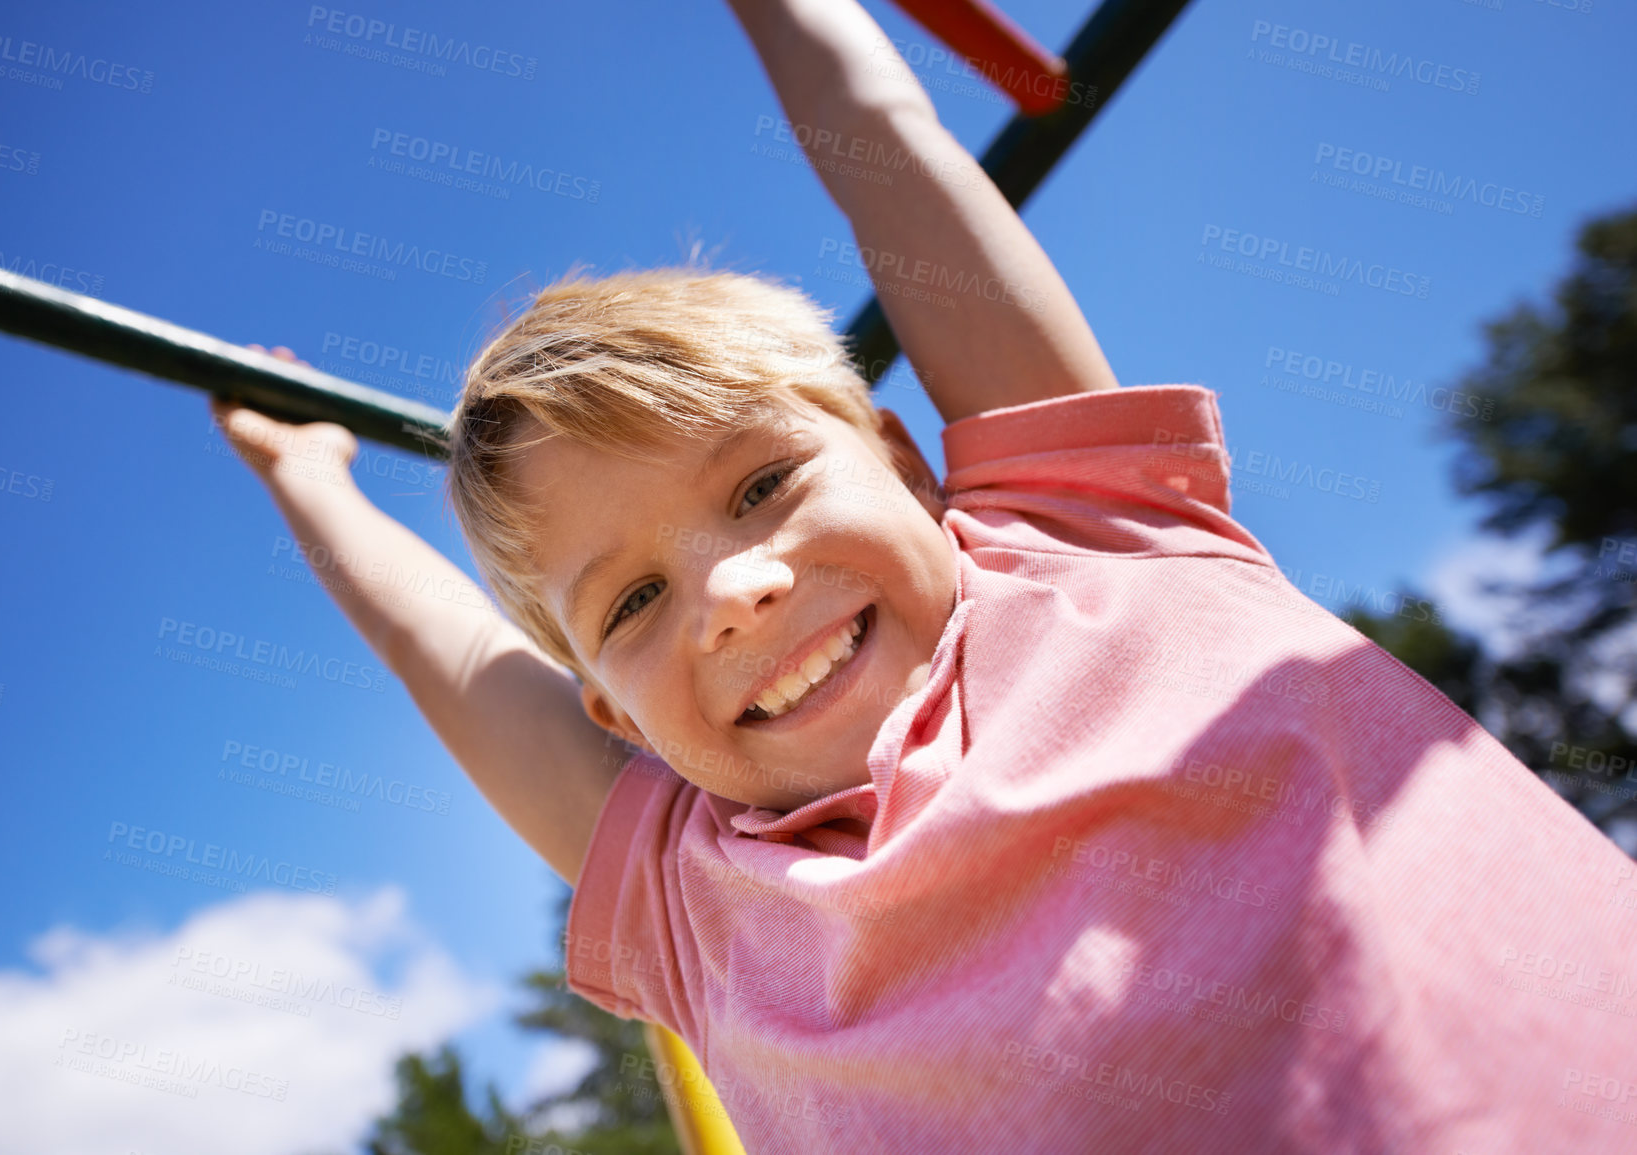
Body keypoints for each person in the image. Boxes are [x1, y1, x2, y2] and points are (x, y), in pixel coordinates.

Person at [213, 0, 1637, 1150]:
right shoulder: (698, 892)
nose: (730, 592)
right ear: (614, 715)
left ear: (903, 463)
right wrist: (306, 479)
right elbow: (447, 655)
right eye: (634, 604)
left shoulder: (1084, 536)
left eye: (763, 487)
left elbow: (889, 148)